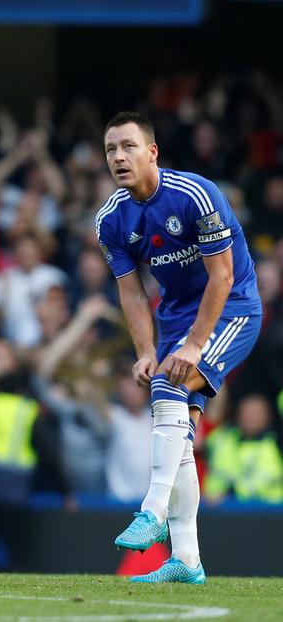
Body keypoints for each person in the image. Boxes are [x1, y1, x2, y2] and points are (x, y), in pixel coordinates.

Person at [97, 111, 261, 584]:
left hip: (232, 307)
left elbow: (222, 277)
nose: (118, 157)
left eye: (128, 146)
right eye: (111, 149)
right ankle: (186, 559)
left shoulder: (196, 195)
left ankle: (151, 509)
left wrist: (194, 345)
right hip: (174, 320)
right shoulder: (110, 219)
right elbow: (131, 292)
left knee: (172, 388)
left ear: (152, 152)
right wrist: (146, 351)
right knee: (176, 425)